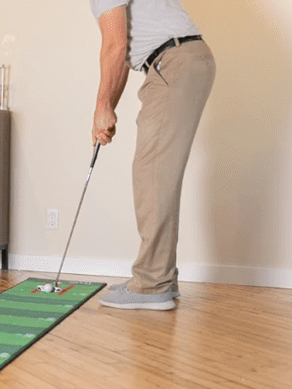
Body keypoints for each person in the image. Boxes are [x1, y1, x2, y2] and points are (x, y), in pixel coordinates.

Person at [90, 0, 216, 310]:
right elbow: (119, 57)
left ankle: (151, 283)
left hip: (173, 61)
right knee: (157, 174)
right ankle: (160, 277)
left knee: (152, 175)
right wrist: (108, 106)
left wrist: (102, 107)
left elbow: (115, 47)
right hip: (180, 60)